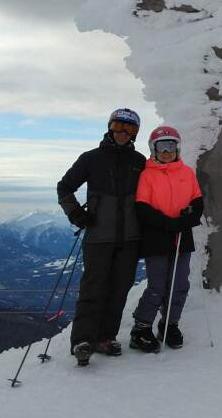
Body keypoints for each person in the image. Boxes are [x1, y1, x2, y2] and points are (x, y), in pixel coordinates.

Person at [56, 108, 145, 366]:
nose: (123, 133)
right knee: (93, 288)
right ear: (109, 127)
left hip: (130, 238)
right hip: (98, 237)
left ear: (135, 134)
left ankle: (105, 337)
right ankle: (82, 341)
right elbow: (65, 187)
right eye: (119, 126)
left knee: (119, 290)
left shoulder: (140, 162)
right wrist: (76, 214)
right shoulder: (91, 159)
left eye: (130, 129)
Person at [129, 125, 203, 353]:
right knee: (157, 286)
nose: (167, 151)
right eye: (162, 146)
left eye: (171, 146)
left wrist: (190, 217)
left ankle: (170, 324)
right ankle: (141, 328)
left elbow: (197, 200)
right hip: (156, 237)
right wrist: (168, 223)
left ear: (178, 148)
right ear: (153, 149)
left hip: (182, 235)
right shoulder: (147, 175)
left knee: (180, 284)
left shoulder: (187, 173)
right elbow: (142, 207)